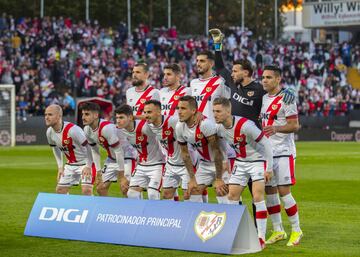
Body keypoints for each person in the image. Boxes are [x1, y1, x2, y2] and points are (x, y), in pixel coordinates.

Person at [212, 97, 274, 249]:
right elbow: (220, 144)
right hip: (241, 162)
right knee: (232, 196)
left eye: (218, 111)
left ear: (228, 111)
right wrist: (226, 159)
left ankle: (260, 238)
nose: (215, 114)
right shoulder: (219, 128)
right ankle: (235, 234)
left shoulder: (246, 125)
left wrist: (269, 168)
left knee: (258, 197)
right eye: (213, 111)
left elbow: (265, 142)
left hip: (257, 161)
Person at [260, 65, 302, 246]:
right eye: (263, 77)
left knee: (284, 192)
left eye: (269, 77)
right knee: (270, 192)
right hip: (268, 153)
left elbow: (294, 125)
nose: (264, 80)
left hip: (284, 152)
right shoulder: (263, 98)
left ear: (278, 79)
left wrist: (276, 128)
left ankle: (297, 230)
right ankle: (278, 230)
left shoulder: (287, 98)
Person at [176, 95, 228, 203]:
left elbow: (217, 152)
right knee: (192, 192)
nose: (179, 112)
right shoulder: (179, 127)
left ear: (193, 111)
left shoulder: (205, 124)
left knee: (222, 193)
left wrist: (218, 179)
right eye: (178, 108)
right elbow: (185, 154)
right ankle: (199, 219)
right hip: (204, 165)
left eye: (183, 108)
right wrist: (192, 179)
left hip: (221, 162)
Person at [115, 104, 166, 200]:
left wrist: (137, 116)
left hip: (158, 164)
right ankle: (140, 215)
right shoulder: (120, 130)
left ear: (130, 117)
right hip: (141, 165)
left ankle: (156, 214)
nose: (118, 120)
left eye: (121, 117)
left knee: (152, 194)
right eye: (117, 117)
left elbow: (157, 119)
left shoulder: (145, 127)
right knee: (131, 194)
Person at [143, 100, 190, 201]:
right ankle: (174, 216)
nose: (146, 115)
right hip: (171, 163)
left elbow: (191, 118)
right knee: (167, 195)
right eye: (145, 112)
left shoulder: (173, 121)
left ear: (159, 112)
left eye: (149, 112)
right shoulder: (150, 126)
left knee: (188, 196)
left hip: (186, 163)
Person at [45, 104, 95, 195]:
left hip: (86, 162)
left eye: (50, 115)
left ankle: (94, 208)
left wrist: (88, 166)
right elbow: (55, 149)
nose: (46, 117)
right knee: (60, 191)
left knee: (86, 190)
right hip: (70, 165)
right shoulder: (49, 132)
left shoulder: (73, 130)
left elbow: (89, 147)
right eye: (45, 115)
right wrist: (60, 167)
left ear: (59, 116)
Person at [81, 102, 125, 196]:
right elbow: (94, 150)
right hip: (112, 159)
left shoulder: (106, 128)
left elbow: (119, 151)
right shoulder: (87, 129)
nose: (83, 117)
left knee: (125, 188)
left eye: (87, 114)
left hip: (127, 158)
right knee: (100, 188)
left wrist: (121, 173)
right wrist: (98, 171)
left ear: (96, 115)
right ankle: (108, 210)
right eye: (83, 114)